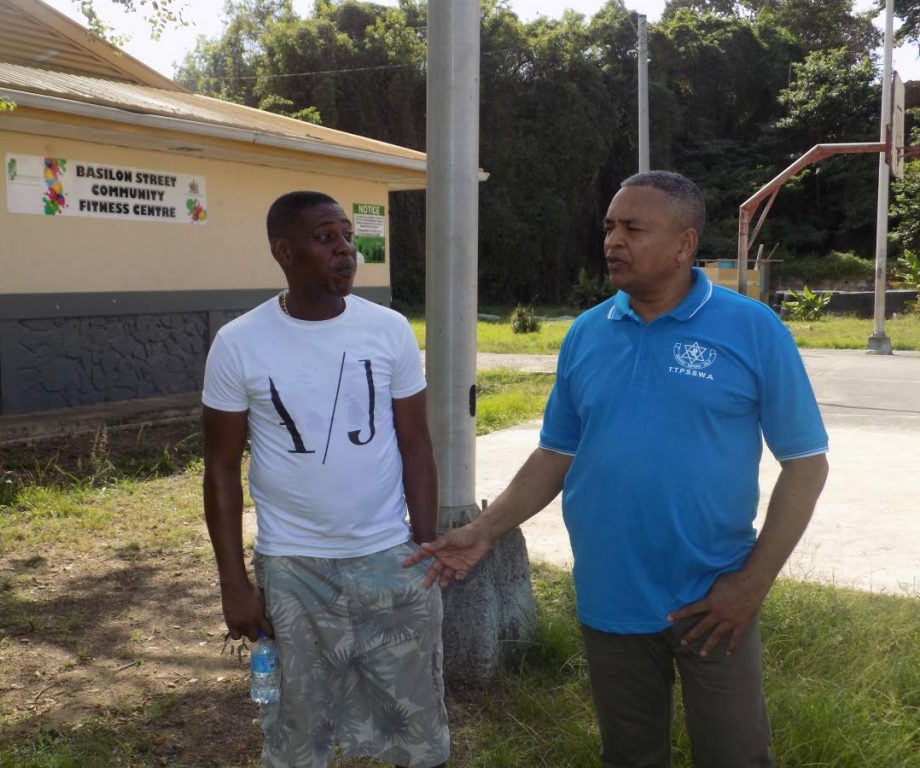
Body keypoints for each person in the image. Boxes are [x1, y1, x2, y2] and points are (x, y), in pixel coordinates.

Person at [405, 171, 829, 767]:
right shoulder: (586, 333)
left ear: (684, 244)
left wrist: (751, 585)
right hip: (611, 594)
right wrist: (483, 529)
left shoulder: (752, 329)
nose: (612, 241)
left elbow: (806, 465)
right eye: (609, 226)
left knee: (735, 755)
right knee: (629, 755)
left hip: (715, 594)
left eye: (633, 228)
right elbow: (556, 453)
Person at [202, 191, 449, 768]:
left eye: (346, 234)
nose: (345, 249)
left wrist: (428, 547)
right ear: (283, 252)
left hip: (390, 559)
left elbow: (416, 444)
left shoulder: (387, 331)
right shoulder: (239, 343)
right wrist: (233, 581)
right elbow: (220, 468)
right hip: (293, 570)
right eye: (325, 237)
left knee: (412, 723)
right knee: (295, 729)